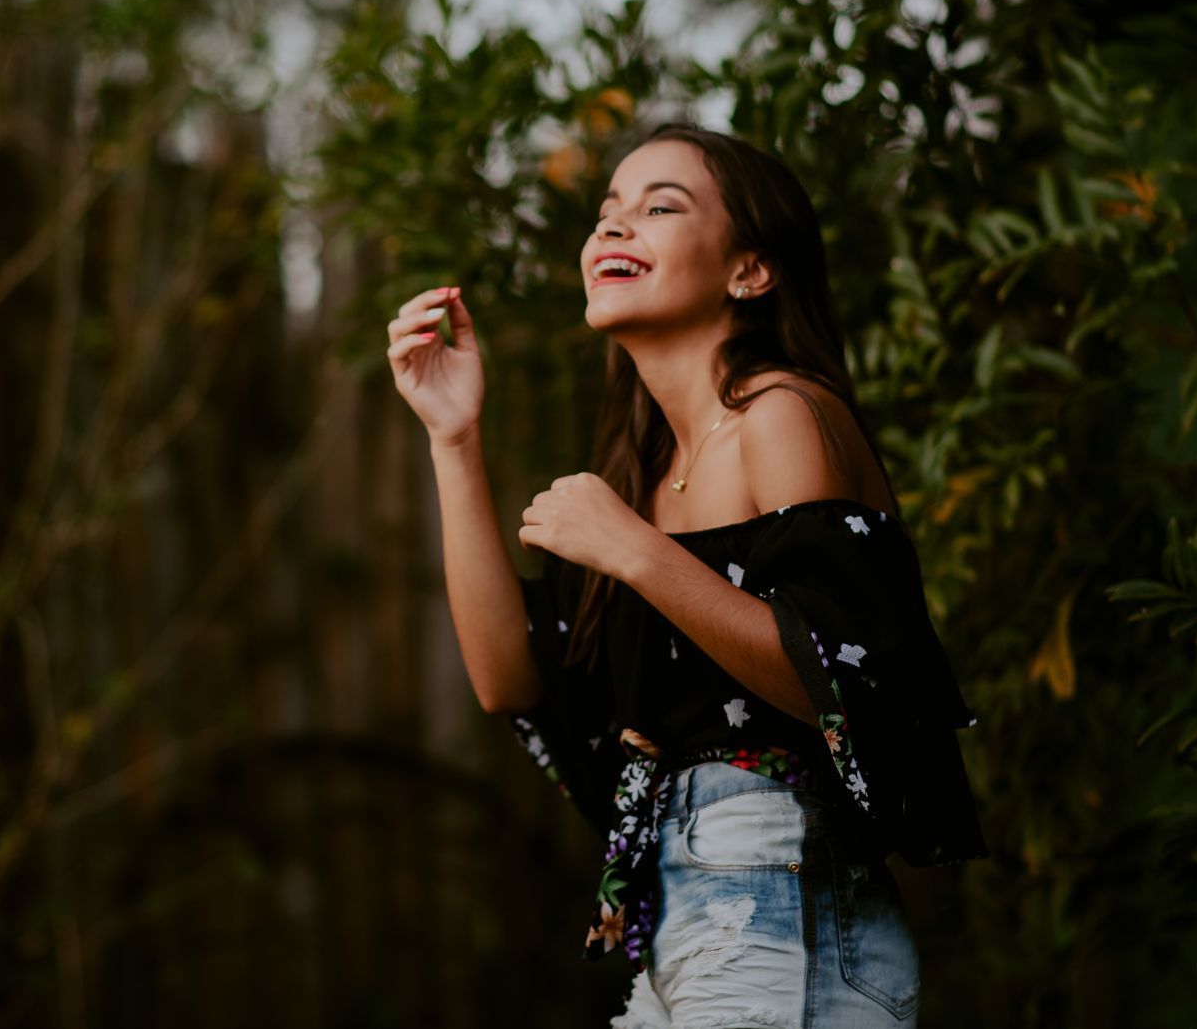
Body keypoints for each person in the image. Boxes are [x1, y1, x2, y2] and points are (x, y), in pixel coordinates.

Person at [385, 121, 988, 1026]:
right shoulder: (648, 469)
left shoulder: (779, 416)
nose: (612, 226)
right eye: (607, 211)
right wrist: (453, 435)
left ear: (751, 270)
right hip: (689, 918)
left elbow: (832, 678)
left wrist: (636, 552)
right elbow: (508, 680)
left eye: (659, 207)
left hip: (774, 897)